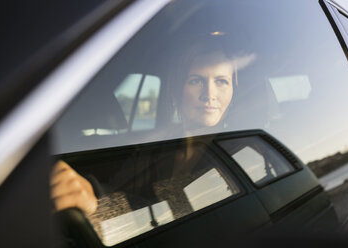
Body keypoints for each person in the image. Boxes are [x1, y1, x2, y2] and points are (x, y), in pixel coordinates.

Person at [50, 40, 238, 215]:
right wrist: (91, 194)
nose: (209, 94)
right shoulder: (155, 147)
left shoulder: (238, 153)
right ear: (175, 89)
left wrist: (96, 203)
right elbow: (121, 192)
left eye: (221, 81)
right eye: (196, 80)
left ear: (232, 90)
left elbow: (177, 215)